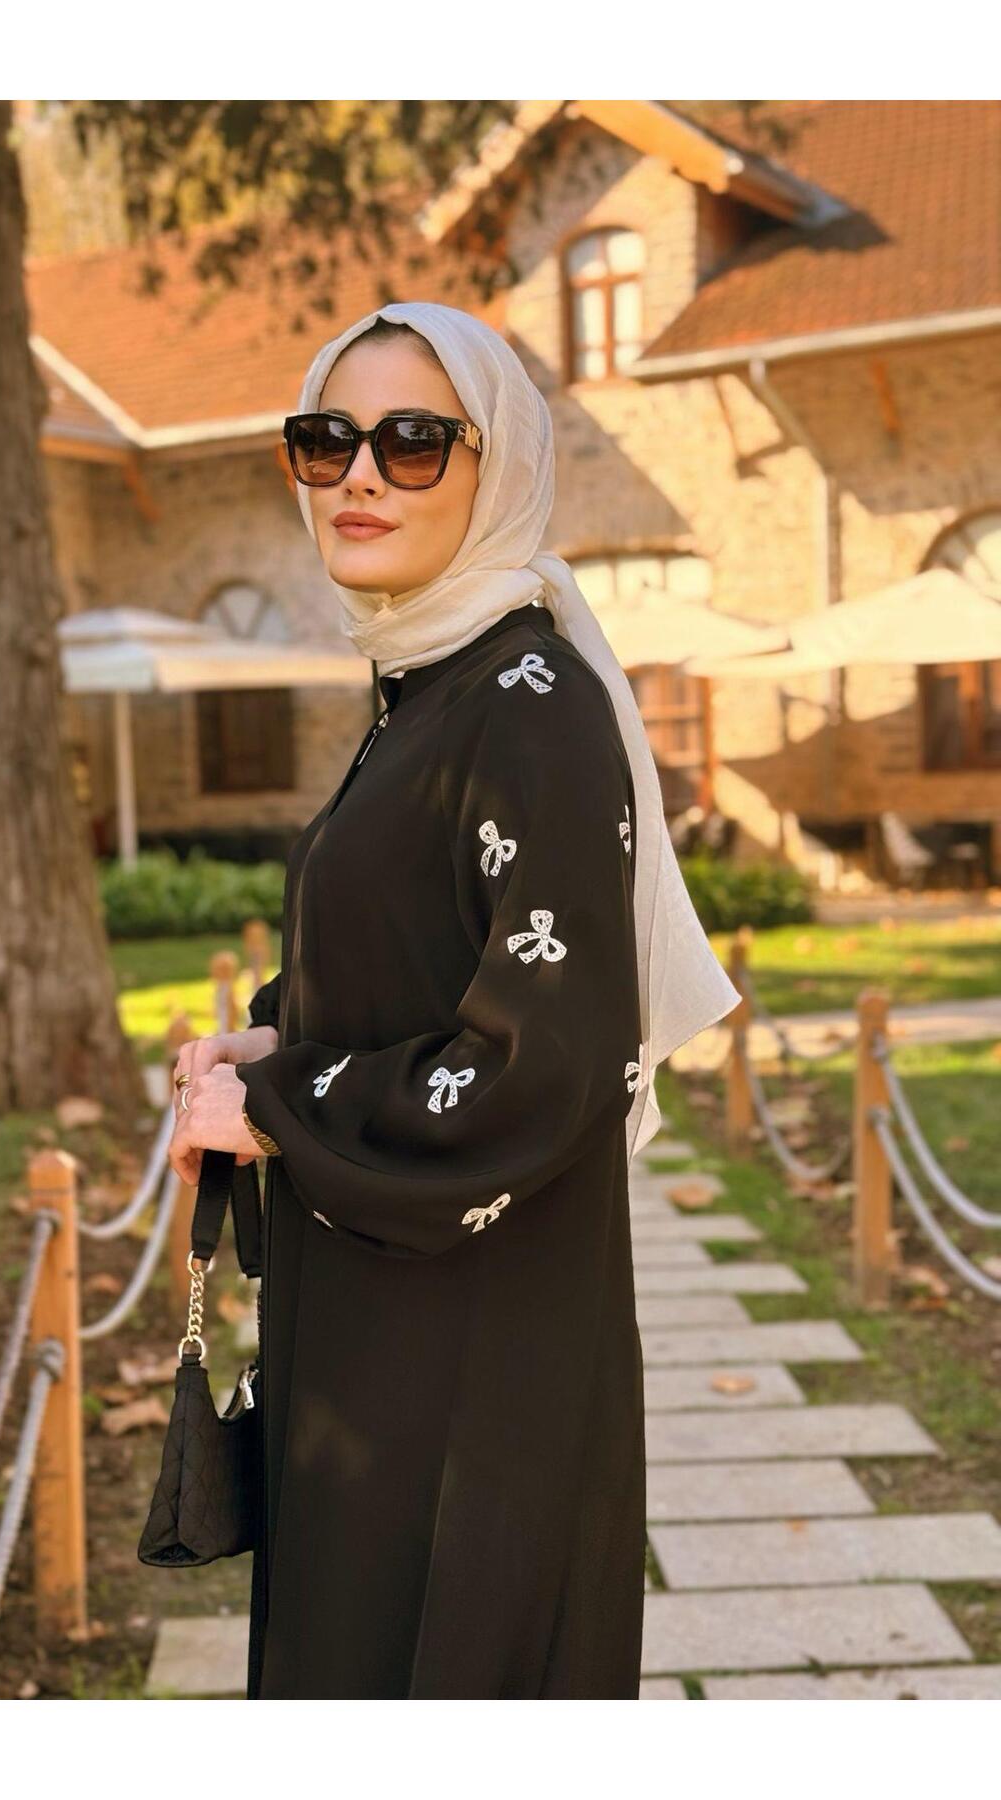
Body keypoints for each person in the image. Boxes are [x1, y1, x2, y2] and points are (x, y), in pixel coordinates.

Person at [167, 301, 740, 1700]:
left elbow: (544, 1063)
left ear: (501, 468)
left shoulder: (526, 700)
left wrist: (280, 1102)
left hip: (475, 1348)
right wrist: (273, 1034)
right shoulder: (425, 687)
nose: (359, 475)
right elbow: (423, 956)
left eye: (415, 441)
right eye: (328, 440)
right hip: (383, 1317)